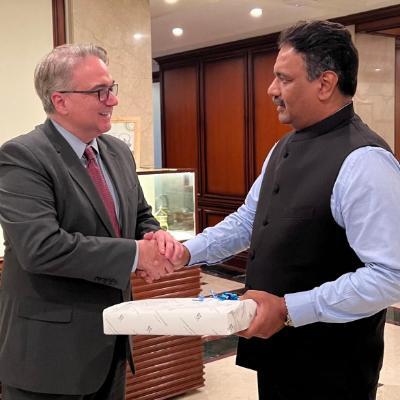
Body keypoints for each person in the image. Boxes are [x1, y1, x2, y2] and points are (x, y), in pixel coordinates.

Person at [148, 20, 400, 399]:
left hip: (333, 364)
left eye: (283, 79)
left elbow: (389, 275)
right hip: (277, 353)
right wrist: (186, 252)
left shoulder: (365, 161)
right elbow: (250, 220)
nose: (271, 90)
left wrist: (288, 308)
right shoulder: (281, 148)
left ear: (325, 83)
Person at [0, 44, 182, 399]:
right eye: (100, 91)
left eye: (111, 88)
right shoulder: (22, 157)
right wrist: (136, 255)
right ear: (61, 101)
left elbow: (139, 214)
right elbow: (41, 248)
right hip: (48, 358)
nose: (112, 100)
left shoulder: (116, 151)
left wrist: (155, 235)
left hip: (111, 345)